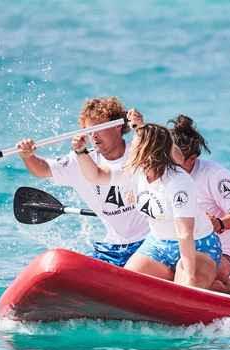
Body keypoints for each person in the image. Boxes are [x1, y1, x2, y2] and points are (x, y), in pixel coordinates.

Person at [76, 123, 221, 289]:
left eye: (135, 144)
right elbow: (96, 176)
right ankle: (172, 277)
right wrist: (81, 151)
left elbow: (185, 233)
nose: (130, 148)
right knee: (125, 286)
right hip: (158, 245)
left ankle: (216, 285)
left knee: (187, 286)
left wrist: (189, 279)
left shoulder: (178, 182)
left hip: (197, 245)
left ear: (146, 150)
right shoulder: (134, 173)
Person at [16, 97, 147, 267]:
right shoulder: (81, 160)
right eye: (88, 130)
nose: (93, 135)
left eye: (98, 128)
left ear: (118, 125)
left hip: (150, 242)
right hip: (115, 248)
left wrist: (141, 127)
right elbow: (42, 169)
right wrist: (28, 156)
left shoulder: (141, 151)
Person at [169, 115, 230, 292]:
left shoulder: (215, 174)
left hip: (219, 252)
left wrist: (219, 223)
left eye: (177, 160)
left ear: (192, 158)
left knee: (191, 280)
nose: (171, 165)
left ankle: (223, 288)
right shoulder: (166, 173)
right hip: (178, 247)